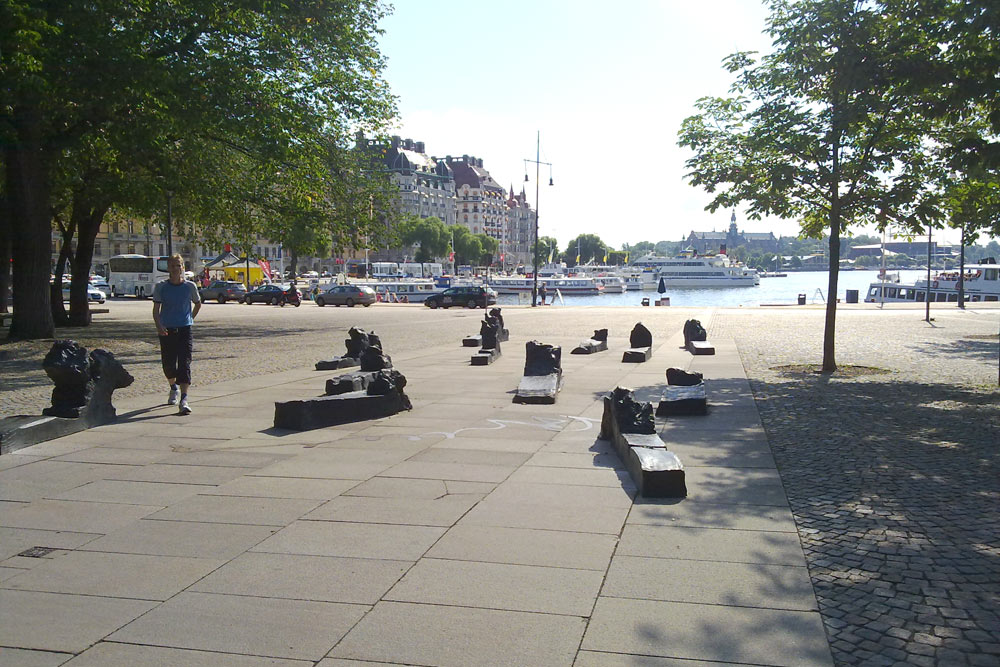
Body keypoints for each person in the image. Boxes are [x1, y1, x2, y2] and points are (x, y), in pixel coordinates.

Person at [152, 254, 201, 415]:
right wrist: (159, 325)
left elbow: (197, 303)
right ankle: (173, 388)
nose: (175, 269)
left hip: (184, 329)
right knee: (168, 364)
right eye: (172, 266)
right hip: (167, 330)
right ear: (168, 268)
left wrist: (190, 318)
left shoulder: (190, 286)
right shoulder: (161, 287)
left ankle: (184, 399)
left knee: (184, 363)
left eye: (178, 265)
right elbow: (156, 310)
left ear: (182, 268)